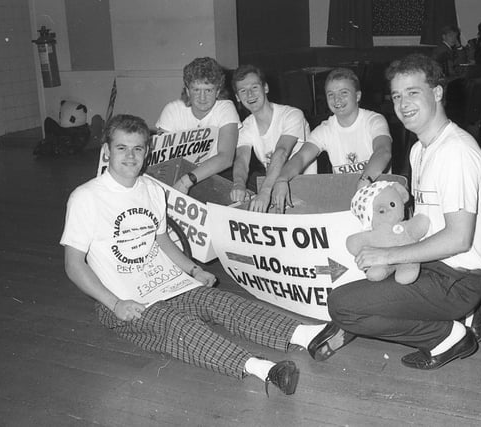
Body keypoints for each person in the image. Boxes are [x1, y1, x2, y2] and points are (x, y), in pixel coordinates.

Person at [61, 114, 343, 396]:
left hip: (168, 284)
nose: (131, 155)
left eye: (138, 148)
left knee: (222, 302)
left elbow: (162, 241)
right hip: (124, 299)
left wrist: (194, 270)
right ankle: (263, 369)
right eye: (122, 148)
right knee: (176, 324)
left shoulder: (152, 189)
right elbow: (74, 265)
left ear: (147, 152)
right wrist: (115, 304)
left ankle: (305, 336)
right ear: (107, 151)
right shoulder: (86, 197)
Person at [322, 54, 481, 370]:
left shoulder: (455, 152)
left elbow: (459, 238)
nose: (403, 104)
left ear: (438, 93)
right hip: (432, 266)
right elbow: (423, 222)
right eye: (397, 96)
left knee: (342, 307)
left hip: (456, 280)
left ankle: (447, 335)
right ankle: (458, 313)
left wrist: (388, 256)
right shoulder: (420, 149)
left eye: (413, 92)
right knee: (350, 265)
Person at [271, 67, 392, 213]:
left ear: (358, 96)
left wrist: (364, 181)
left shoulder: (374, 120)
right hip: (347, 201)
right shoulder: (325, 129)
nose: (337, 100)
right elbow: (301, 157)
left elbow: (383, 151)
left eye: (344, 93)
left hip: (381, 199)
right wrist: (281, 179)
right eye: (331, 95)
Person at [230, 64, 317, 213]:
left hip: (304, 191)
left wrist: (265, 192)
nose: (250, 95)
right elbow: (241, 160)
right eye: (243, 91)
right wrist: (238, 184)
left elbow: (281, 151)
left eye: (254, 88)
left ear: (265, 88)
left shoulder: (292, 115)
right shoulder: (245, 127)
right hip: (273, 190)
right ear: (238, 97)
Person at [156, 57, 240, 194]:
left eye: (208, 90)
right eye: (196, 90)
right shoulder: (172, 110)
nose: (202, 97)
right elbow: (161, 158)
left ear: (218, 91)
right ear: (188, 91)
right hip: (177, 175)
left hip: (215, 176)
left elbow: (225, 158)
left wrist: (187, 180)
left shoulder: (226, 108)